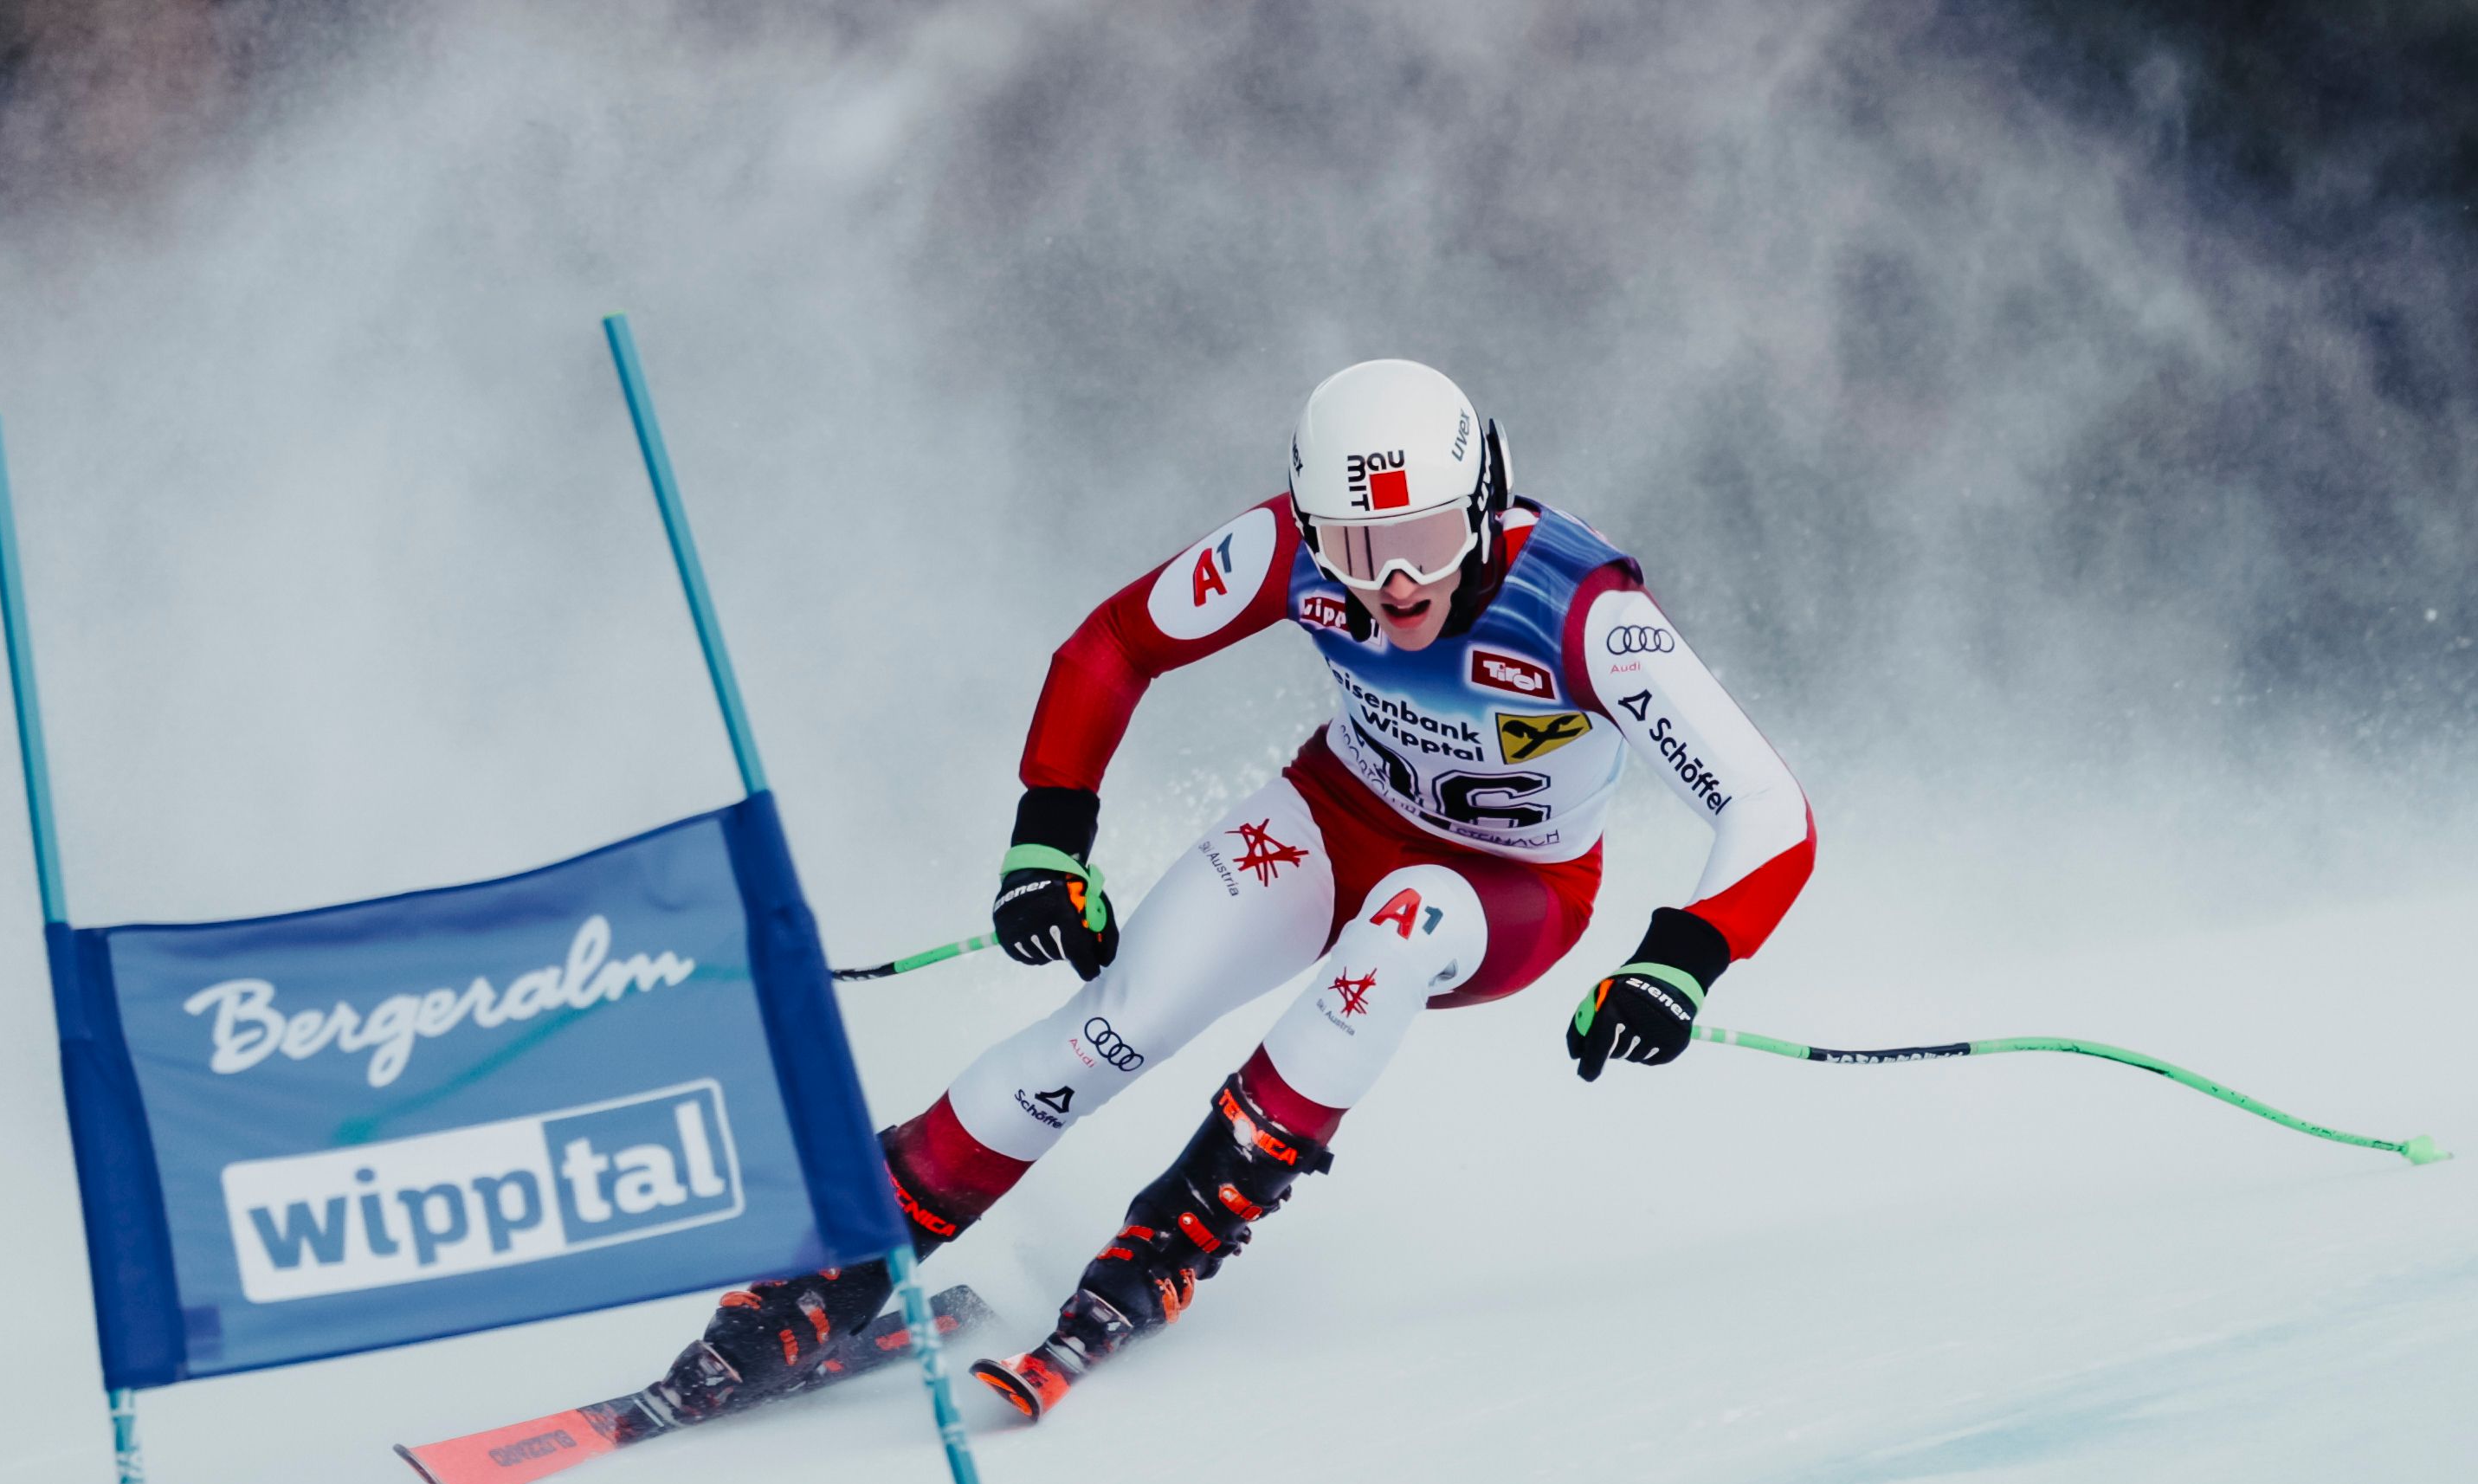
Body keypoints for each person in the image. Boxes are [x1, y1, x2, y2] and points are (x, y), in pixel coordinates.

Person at [660, 358, 1815, 1423]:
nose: (1391, 583)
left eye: (1418, 541)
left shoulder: (1583, 612)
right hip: (1334, 816)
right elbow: (1111, 646)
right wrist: (1048, 842)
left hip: (1504, 892)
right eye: (1357, 549)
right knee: (1116, 1023)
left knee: (1400, 928)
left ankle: (1175, 1234)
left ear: (1482, 504)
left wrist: (1681, 958)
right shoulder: (1287, 554)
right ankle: (846, 1254)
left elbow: (1766, 806)